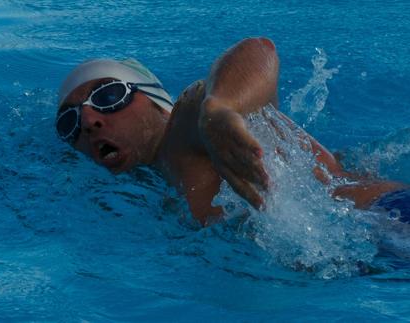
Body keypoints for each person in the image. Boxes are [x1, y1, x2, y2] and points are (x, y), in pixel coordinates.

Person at [55, 37, 408, 226]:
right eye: (69, 122)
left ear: (154, 100)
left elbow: (258, 50)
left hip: (384, 217)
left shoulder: (186, 121)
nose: (88, 120)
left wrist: (219, 109)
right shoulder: (158, 179)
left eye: (108, 95)